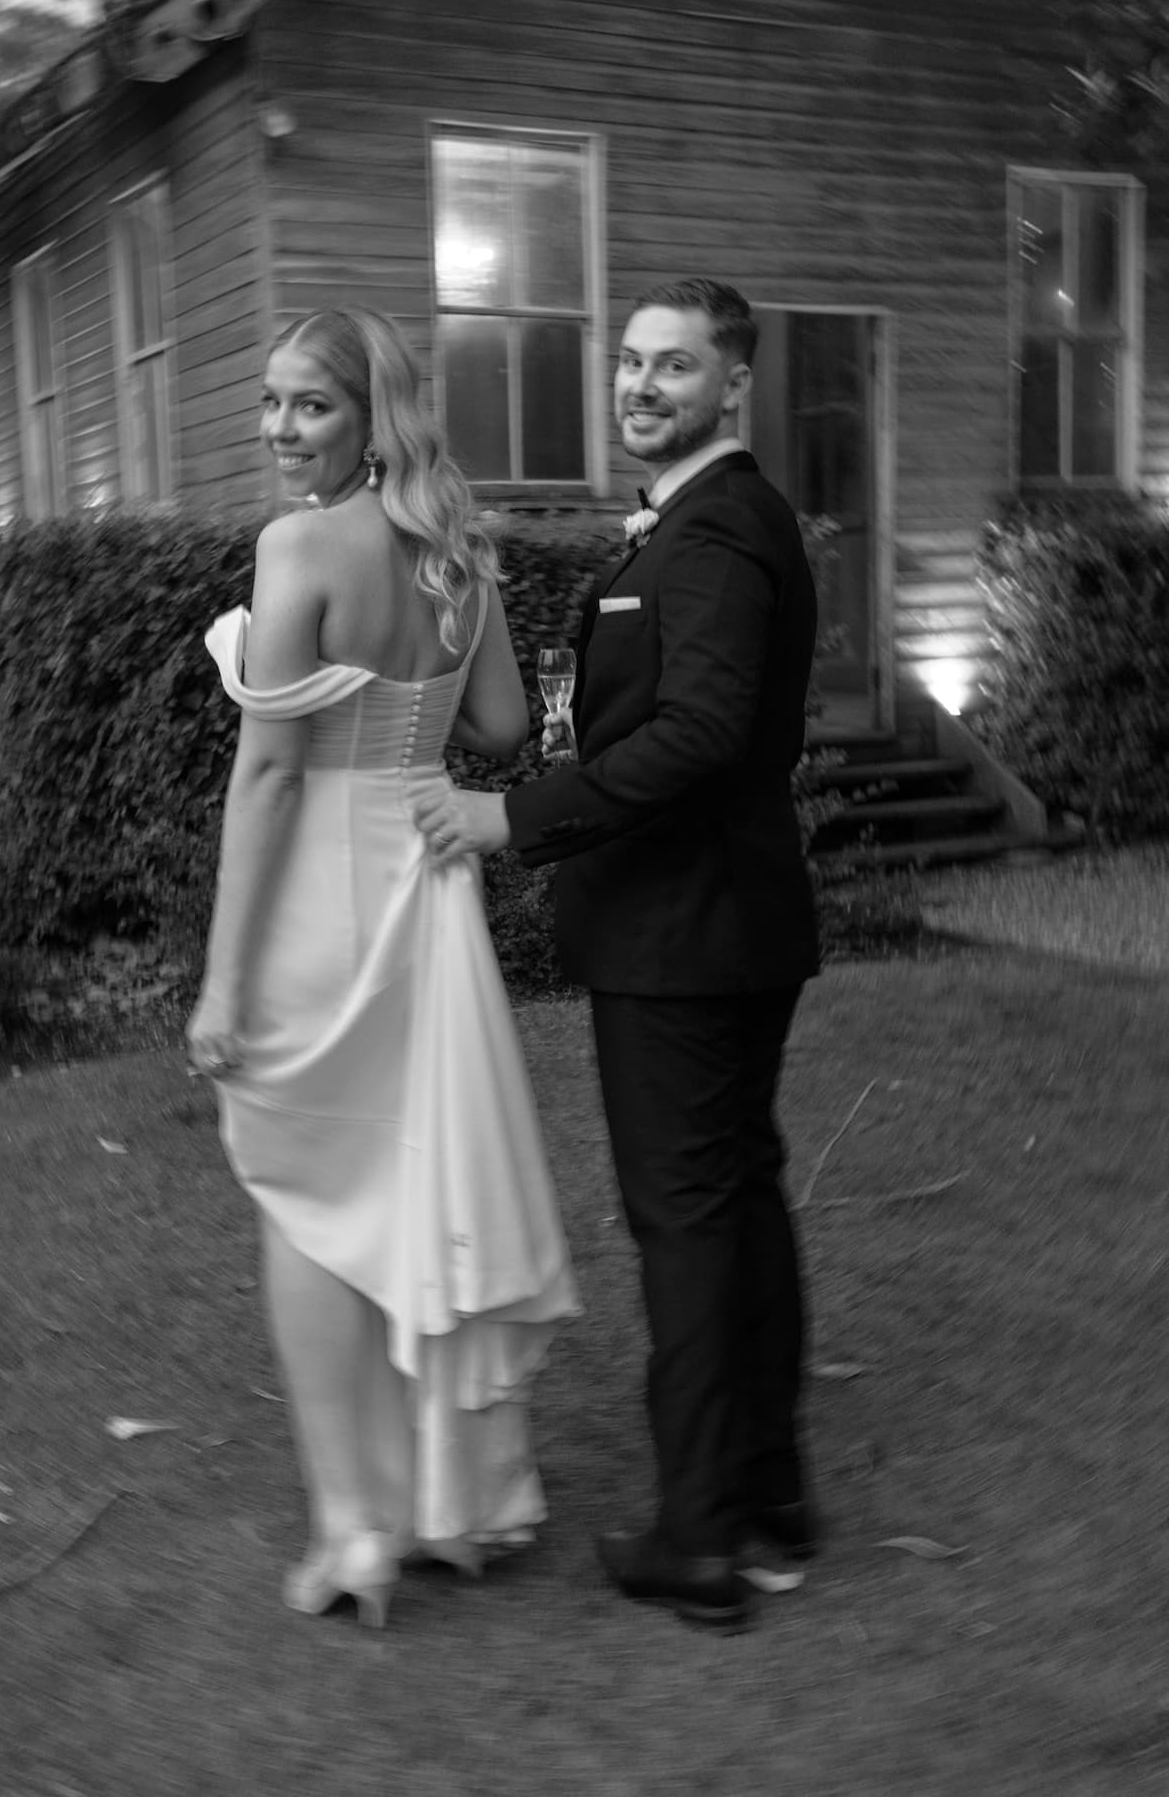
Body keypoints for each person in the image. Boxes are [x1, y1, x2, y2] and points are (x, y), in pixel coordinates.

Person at [414, 278, 820, 1634]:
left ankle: (702, 1538)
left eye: (675, 367)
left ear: (732, 384)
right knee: (737, 1205)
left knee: (689, 1227)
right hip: (715, 926)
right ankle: (767, 1492)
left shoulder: (714, 535)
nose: (641, 385)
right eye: (632, 363)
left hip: (686, 938)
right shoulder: (704, 523)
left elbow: (700, 737)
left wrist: (509, 815)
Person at [186, 306, 578, 1631]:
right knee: (412, 1181)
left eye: (310, 405)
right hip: (426, 883)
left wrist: (222, 983)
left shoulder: (297, 546)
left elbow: (270, 772)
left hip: (319, 902)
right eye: (270, 401)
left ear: (371, 416)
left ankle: (358, 1527)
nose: (279, 429)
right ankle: (445, 1505)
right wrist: (424, 725)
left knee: (304, 1196)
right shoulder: (457, 551)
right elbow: (505, 727)